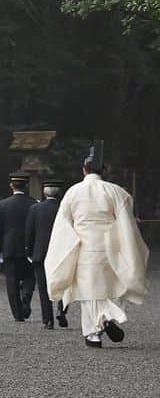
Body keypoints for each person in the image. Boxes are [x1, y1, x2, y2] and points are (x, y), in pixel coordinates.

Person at [45, 146, 149, 348]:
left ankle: (93, 333)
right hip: (110, 247)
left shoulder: (72, 192)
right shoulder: (116, 192)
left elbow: (63, 225)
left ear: (84, 170)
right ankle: (108, 316)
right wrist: (128, 247)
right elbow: (127, 224)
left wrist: (66, 247)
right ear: (104, 172)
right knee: (111, 287)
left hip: (84, 247)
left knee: (88, 291)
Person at [0, 174, 36, 321]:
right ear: (26, 186)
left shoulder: (2, 204)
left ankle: (18, 314)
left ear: (11, 186)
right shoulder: (33, 203)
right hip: (28, 247)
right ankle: (26, 297)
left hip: (9, 246)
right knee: (30, 276)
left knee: (12, 280)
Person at [25, 180, 68, 330]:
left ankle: (48, 320)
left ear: (44, 192)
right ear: (60, 193)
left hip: (40, 251)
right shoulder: (65, 208)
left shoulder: (35, 208)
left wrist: (29, 251)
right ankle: (61, 309)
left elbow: (29, 232)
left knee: (43, 287)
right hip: (62, 251)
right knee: (64, 282)